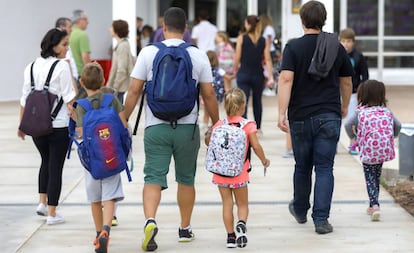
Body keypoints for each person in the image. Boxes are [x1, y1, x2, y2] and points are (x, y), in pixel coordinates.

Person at [123, 7, 219, 251]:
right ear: (186, 29)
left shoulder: (148, 52)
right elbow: (209, 94)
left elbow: (134, 90)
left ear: (163, 28)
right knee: (186, 179)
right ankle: (184, 229)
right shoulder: (198, 55)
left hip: (156, 126)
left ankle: (150, 220)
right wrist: (216, 124)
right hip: (187, 128)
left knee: (153, 177)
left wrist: (123, 117)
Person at [277, 0, 353, 234]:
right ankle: (321, 220)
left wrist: (282, 112)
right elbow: (347, 81)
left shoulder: (292, 47)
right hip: (329, 114)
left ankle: (300, 210)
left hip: (300, 115)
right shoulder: (336, 47)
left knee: (302, 167)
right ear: (324, 20)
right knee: (324, 168)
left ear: (302, 21)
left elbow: (286, 79)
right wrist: (345, 106)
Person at [17, 28, 76, 225]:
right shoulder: (62, 66)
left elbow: (25, 99)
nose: (67, 48)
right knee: (55, 167)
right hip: (58, 125)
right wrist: (81, 124)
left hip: (36, 126)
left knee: (45, 161)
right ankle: (52, 214)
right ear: (54, 47)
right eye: (64, 44)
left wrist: (21, 125)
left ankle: (42, 203)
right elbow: (69, 99)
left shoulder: (31, 66)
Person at [205, 88, 270, 248]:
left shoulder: (219, 124)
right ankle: (241, 224)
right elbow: (256, 146)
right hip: (239, 173)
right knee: (242, 204)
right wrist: (264, 160)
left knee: (227, 203)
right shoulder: (248, 126)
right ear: (243, 106)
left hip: (220, 173)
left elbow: (209, 142)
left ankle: (230, 237)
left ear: (226, 107)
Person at [75, 62, 126, 253]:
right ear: (103, 80)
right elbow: (122, 126)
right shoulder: (112, 100)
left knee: (95, 199)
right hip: (112, 155)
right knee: (110, 196)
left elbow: (80, 132)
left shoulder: (81, 106)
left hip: (92, 162)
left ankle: (98, 234)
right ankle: (107, 229)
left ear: (81, 82)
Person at [344, 80, 401, 221]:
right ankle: (373, 203)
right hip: (383, 149)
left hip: (368, 149)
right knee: (376, 175)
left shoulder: (360, 113)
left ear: (362, 95)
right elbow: (398, 125)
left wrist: (354, 137)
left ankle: (374, 205)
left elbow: (347, 124)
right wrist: (391, 136)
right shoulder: (386, 112)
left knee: (370, 178)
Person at [233, 15, 274, 133]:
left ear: (248, 24)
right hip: (258, 75)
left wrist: (234, 70)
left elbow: (237, 57)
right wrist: (270, 76)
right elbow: (268, 59)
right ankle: (258, 127)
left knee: (243, 101)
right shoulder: (263, 40)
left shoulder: (242, 38)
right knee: (257, 101)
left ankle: (244, 126)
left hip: (244, 73)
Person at [339, 28, 369, 155]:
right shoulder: (337, 55)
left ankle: (353, 143)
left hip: (353, 93)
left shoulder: (358, 56)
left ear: (353, 42)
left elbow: (365, 75)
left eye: (348, 41)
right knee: (335, 121)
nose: (346, 44)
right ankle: (332, 146)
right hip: (338, 93)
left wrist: (362, 92)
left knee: (352, 120)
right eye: (343, 41)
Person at [107, 19, 133, 104]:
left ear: (116, 29)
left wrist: (115, 87)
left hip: (119, 87)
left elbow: (122, 69)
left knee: (117, 112)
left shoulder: (122, 46)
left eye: (111, 27)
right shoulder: (121, 45)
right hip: (118, 87)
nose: (109, 29)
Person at [70, 9, 91, 99]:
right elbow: (85, 57)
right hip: (81, 75)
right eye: (86, 19)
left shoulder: (68, 33)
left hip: (70, 75)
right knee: (83, 104)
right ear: (79, 20)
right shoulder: (82, 35)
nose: (88, 22)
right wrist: (90, 74)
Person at [55, 17, 78, 92]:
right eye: (70, 27)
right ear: (62, 27)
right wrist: (74, 86)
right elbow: (67, 62)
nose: (71, 29)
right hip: (69, 79)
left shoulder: (64, 40)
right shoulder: (61, 41)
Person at [260, 14, 277, 96]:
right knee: (266, 70)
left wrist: (265, 51)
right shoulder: (267, 29)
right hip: (268, 50)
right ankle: (268, 87)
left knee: (268, 69)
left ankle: (271, 88)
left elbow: (268, 41)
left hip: (269, 51)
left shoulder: (268, 29)